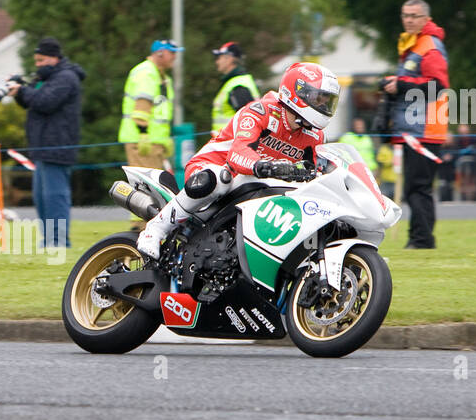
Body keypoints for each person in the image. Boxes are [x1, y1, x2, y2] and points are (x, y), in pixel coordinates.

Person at [136, 61, 339, 259]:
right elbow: (237, 154)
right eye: (319, 98)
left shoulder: (314, 137)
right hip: (211, 169)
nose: (323, 105)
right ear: (298, 93)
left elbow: (317, 171)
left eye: (327, 101)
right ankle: (155, 229)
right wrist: (264, 166)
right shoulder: (261, 111)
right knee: (220, 177)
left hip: (252, 185)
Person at [384, 0, 449, 248]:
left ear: (425, 19)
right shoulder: (412, 45)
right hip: (413, 129)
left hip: (426, 130)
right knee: (414, 187)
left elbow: (438, 86)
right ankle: (419, 238)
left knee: (417, 187)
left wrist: (400, 85)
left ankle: (422, 240)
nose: (408, 20)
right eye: (405, 15)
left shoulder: (429, 46)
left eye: (414, 16)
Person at [9, 37, 85, 249]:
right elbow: (31, 99)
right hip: (42, 147)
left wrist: (24, 91)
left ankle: (59, 242)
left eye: (42, 60)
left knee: (55, 197)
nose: (38, 64)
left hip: (58, 145)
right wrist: (19, 90)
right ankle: (49, 241)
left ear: (54, 58)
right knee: (41, 198)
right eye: (36, 60)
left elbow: (45, 101)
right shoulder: (47, 77)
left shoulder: (66, 78)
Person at [119, 40, 181, 171]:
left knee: (154, 186)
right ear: (159, 53)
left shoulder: (162, 76)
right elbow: (142, 106)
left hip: (154, 141)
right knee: (146, 187)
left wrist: (165, 138)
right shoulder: (146, 73)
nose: (175, 56)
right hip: (143, 142)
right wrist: (143, 134)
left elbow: (161, 112)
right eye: (171, 52)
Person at [210, 41, 260, 131]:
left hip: (232, 142)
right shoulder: (233, 82)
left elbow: (247, 120)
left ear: (229, 59)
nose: (217, 62)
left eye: (219, 58)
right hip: (227, 142)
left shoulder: (238, 85)